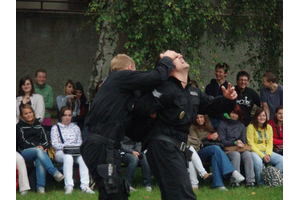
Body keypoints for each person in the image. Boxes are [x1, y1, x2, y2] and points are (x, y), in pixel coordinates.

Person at [133, 52, 243, 199]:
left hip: (178, 149)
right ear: (169, 67)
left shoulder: (192, 91)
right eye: (175, 57)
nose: (180, 55)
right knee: (184, 196)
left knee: (174, 196)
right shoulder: (163, 88)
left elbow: (212, 105)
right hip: (162, 147)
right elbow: (140, 108)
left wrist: (228, 99)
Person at [80, 51, 178, 200]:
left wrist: (151, 117)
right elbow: (155, 77)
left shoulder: (117, 92)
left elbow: (134, 134)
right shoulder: (121, 76)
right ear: (130, 67)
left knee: (118, 193)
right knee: (113, 194)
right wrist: (166, 59)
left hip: (104, 147)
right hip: (102, 146)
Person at [188, 114, 244, 191]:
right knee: (215, 148)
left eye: (201, 117)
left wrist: (216, 137)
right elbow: (194, 141)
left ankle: (218, 184)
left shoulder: (208, 126)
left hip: (210, 151)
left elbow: (218, 139)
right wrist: (208, 137)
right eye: (197, 118)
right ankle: (233, 171)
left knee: (215, 155)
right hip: (198, 152)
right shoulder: (192, 127)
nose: (199, 119)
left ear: (205, 118)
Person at [16, 104, 64, 193]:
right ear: (22, 116)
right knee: (38, 151)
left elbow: (46, 140)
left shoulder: (39, 125)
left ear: (33, 113)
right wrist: (37, 147)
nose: (28, 115)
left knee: (39, 159)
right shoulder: (19, 126)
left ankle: (41, 188)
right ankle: (54, 172)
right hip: (26, 153)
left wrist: (43, 146)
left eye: (30, 112)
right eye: (26, 113)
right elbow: (22, 143)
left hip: (40, 152)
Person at [51, 106, 94, 194]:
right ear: (61, 116)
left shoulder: (75, 127)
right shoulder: (55, 128)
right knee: (68, 157)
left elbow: (79, 142)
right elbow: (55, 144)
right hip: (61, 152)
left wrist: (73, 148)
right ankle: (69, 186)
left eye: (69, 115)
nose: (67, 118)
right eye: (65, 115)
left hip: (75, 152)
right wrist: (66, 147)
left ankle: (85, 185)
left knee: (83, 158)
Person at [218, 104, 255, 187]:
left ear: (239, 115)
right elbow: (222, 141)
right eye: (232, 113)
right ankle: (235, 181)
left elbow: (244, 140)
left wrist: (241, 142)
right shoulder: (222, 124)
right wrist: (234, 142)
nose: (234, 115)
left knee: (248, 154)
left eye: (236, 113)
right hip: (227, 150)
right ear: (228, 113)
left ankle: (250, 181)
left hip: (239, 148)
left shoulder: (241, 126)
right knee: (236, 155)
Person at [246, 108, 283, 185]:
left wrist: (268, 154)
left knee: (281, 160)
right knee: (258, 161)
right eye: (260, 116)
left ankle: (273, 179)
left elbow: (270, 143)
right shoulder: (251, 127)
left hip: (267, 151)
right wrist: (263, 156)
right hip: (255, 151)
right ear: (256, 116)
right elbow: (251, 144)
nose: (262, 117)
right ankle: (261, 182)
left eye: (264, 115)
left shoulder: (268, 127)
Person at [205, 62, 230, 129]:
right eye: (216, 71)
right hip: (210, 118)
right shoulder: (209, 87)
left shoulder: (228, 88)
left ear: (225, 73)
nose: (218, 74)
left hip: (223, 119)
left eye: (220, 72)